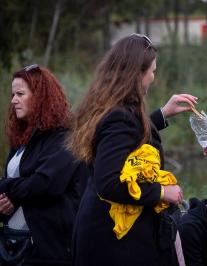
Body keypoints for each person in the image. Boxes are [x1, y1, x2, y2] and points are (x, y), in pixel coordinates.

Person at [66, 34, 198, 266]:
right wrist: (160, 192)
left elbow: (127, 139)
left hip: (104, 234)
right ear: (137, 73)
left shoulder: (111, 109)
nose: (153, 78)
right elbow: (109, 182)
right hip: (113, 242)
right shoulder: (119, 117)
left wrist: (162, 115)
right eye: (152, 71)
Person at [0, 64, 88, 265]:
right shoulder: (23, 139)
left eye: (20, 94)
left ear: (40, 97)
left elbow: (44, 184)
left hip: (48, 250)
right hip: (13, 245)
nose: (14, 100)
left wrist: (5, 186)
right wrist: (4, 203)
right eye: (13, 94)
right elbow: (24, 187)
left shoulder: (65, 138)